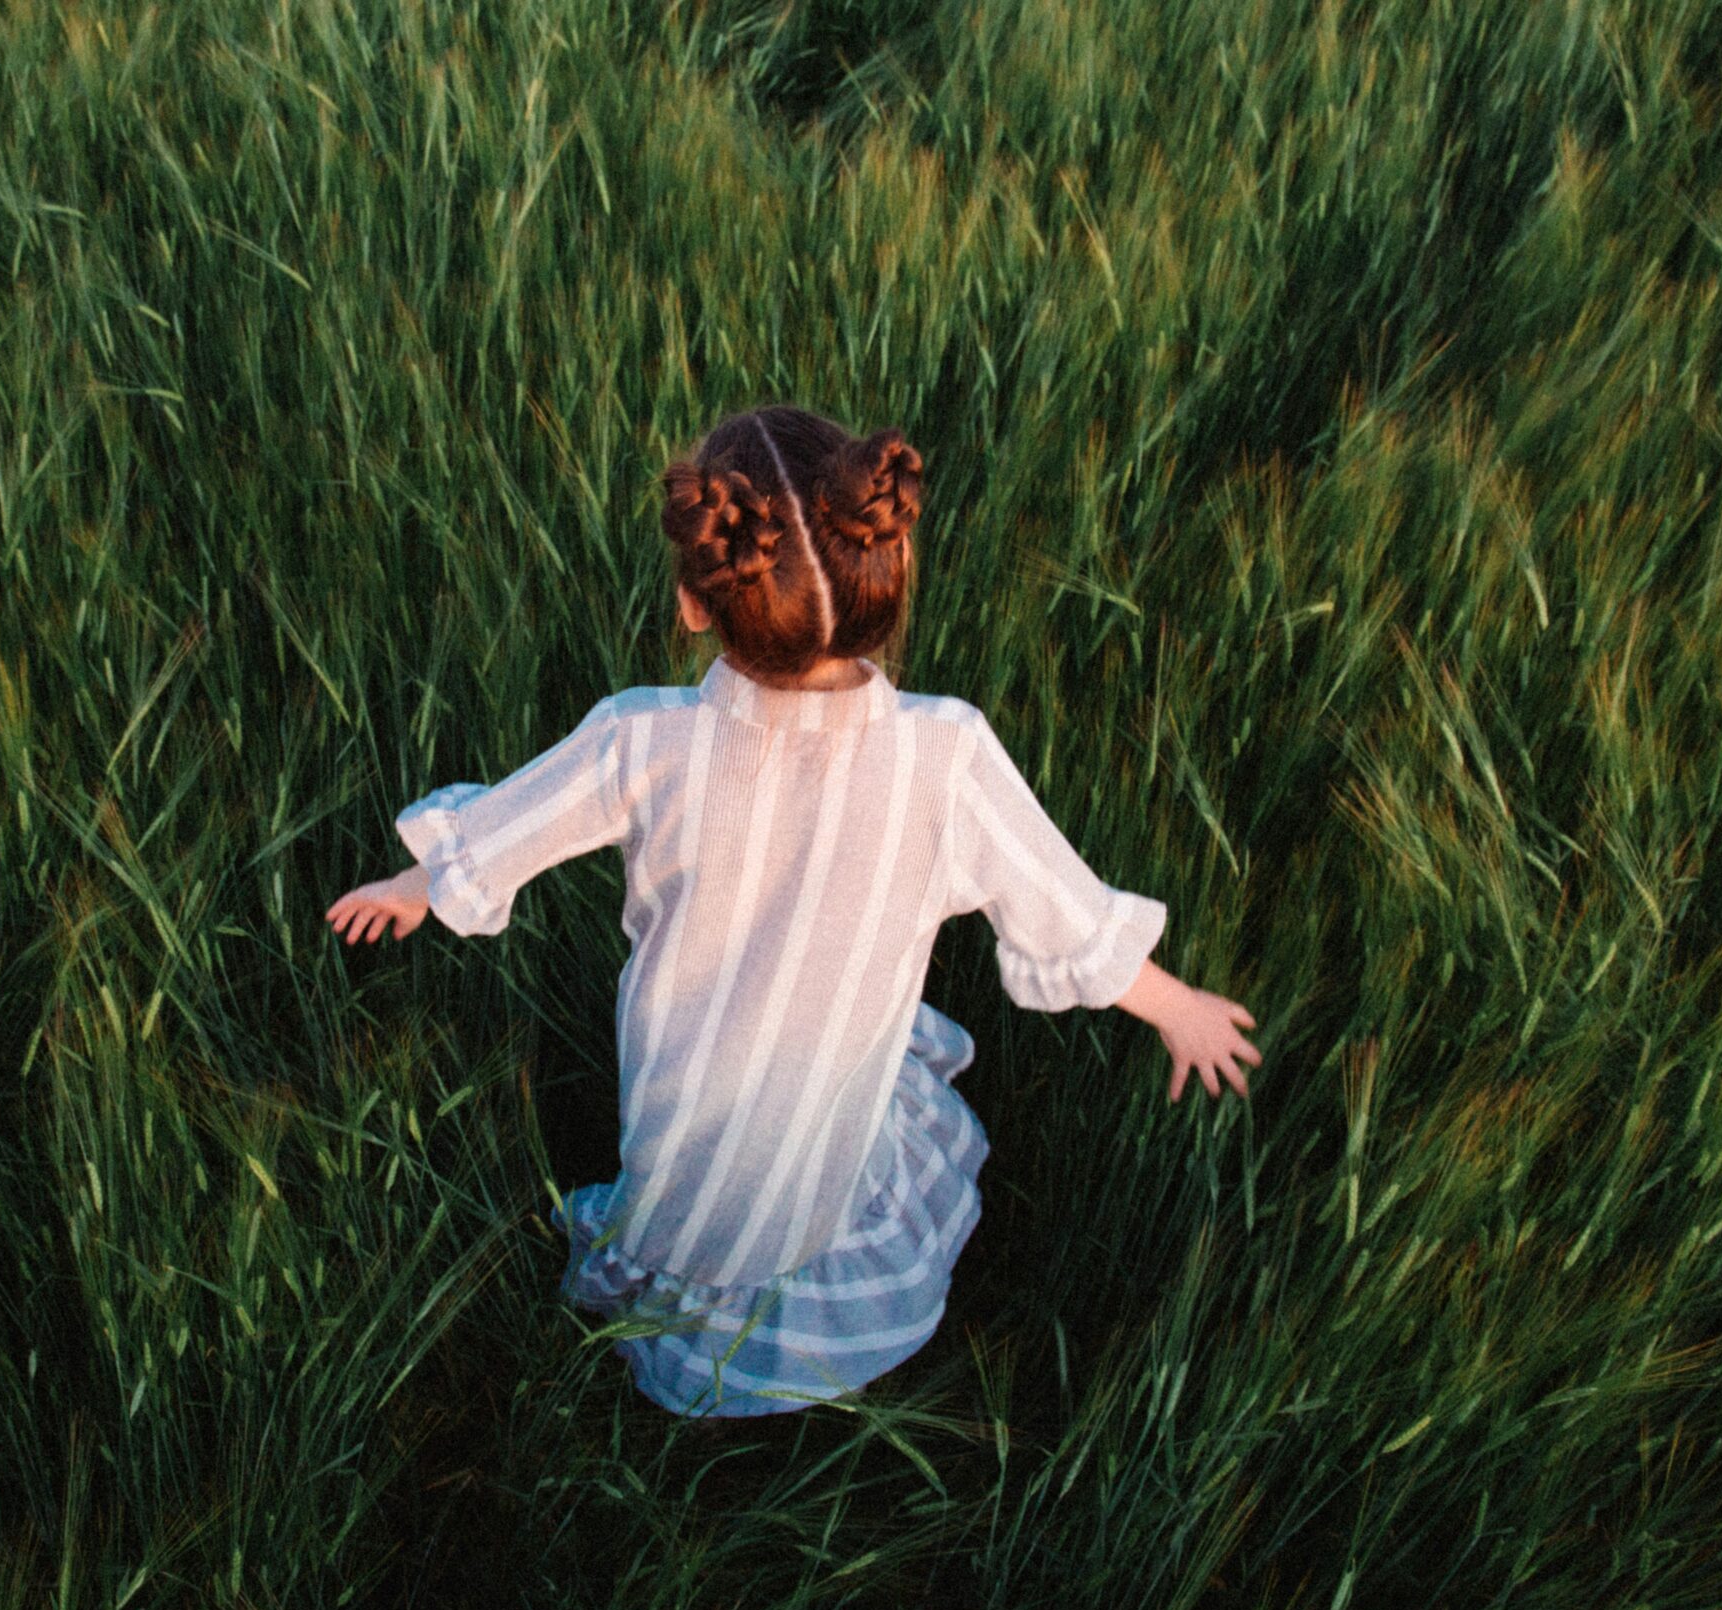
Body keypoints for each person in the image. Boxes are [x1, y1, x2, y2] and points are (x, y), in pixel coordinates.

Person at [325, 405, 1261, 1418]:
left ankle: (675, 1307)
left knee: (688, 1195)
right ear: (884, 578)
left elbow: (510, 829)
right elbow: (1062, 912)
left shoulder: (639, 741)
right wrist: (1175, 1007)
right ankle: (793, 1325)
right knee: (822, 1158)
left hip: (687, 1068)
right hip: (834, 1067)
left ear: (693, 602)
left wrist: (412, 888)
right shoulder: (945, 754)